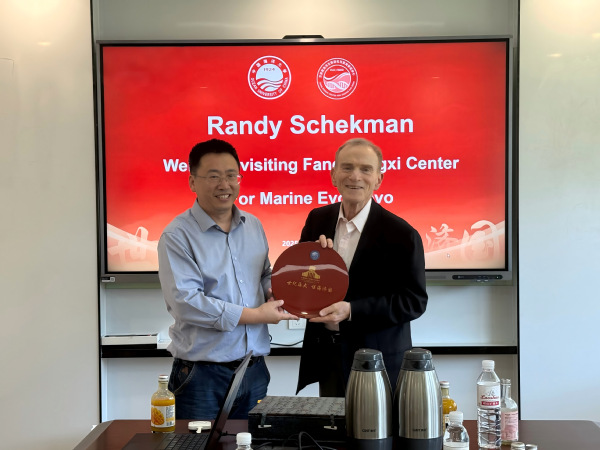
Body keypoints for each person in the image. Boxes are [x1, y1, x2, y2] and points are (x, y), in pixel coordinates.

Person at [158, 138, 297, 420]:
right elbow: (186, 302)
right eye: (213, 176)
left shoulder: (253, 225)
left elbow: (263, 274)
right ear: (192, 182)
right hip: (201, 377)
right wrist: (256, 315)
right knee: (194, 443)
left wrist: (275, 290)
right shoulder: (177, 235)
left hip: (254, 370)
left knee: (252, 441)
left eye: (232, 175)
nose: (225, 184)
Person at [296, 137, 428, 397]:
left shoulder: (402, 234)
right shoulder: (317, 219)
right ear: (334, 175)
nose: (355, 176)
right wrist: (308, 266)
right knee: (330, 423)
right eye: (347, 167)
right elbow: (301, 277)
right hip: (328, 356)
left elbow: (413, 301)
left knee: (375, 425)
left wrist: (351, 310)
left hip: (377, 363)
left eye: (365, 169)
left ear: (378, 179)